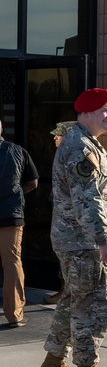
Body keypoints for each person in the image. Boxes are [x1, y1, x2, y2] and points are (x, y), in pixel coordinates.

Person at [35, 89, 107, 367]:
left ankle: (53, 362)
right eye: (105, 110)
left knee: (74, 300)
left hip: (75, 240)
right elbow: (87, 199)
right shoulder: (79, 148)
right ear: (86, 114)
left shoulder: (84, 143)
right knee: (92, 304)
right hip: (83, 243)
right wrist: (102, 238)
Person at [0, 121, 39, 328]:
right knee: (12, 262)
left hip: (10, 213)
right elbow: (32, 182)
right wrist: (17, 196)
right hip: (11, 216)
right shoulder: (18, 151)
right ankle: (14, 314)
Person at [42, 121, 76, 306]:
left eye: (59, 135)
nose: (55, 137)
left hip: (70, 223)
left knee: (69, 263)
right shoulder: (61, 155)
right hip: (61, 220)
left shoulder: (74, 156)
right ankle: (64, 292)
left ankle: (65, 293)